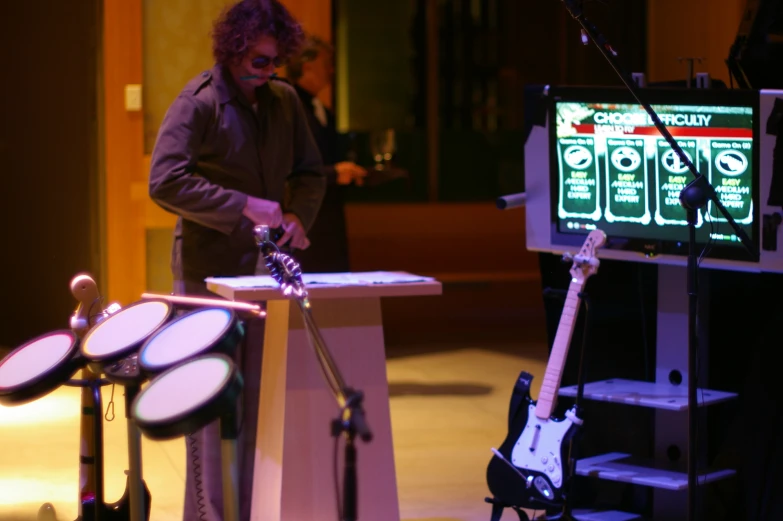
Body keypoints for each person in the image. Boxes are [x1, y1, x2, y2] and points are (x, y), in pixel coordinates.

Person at [147, 1, 325, 520]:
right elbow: (165, 180)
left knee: (261, 406)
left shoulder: (286, 102)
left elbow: (312, 174)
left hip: (267, 274)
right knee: (207, 407)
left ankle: (257, 511)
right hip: (208, 274)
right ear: (235, 49)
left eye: (275, 62)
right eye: (259, 61)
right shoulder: (197, 102)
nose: (267, 72)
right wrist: (243, 206)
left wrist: (298, 218)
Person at [284, 36, 367, 273]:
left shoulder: (321, 108)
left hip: (328, 212)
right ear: (307, 65)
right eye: (326, 63)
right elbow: (287, 166)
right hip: (304, 214)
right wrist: (334, 172)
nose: (331, 70)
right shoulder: (288, 106)